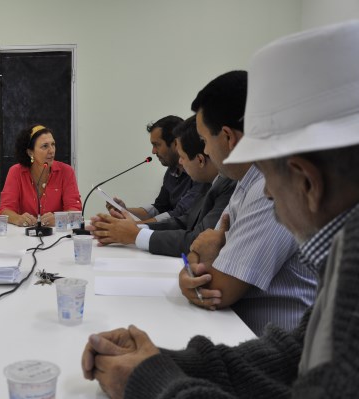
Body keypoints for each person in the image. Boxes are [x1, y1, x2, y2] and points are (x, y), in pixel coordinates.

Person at [81, 20, 359, 398]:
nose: (267, 193)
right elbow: (292, 356)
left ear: (306, 181)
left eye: (264, 172)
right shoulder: (342, 252)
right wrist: (162, 362)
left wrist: (148, 382)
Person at [179, 70, 316, 334]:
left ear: (228, 137)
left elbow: (217, 290)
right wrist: (193, 266)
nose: (205, 151)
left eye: (205, 141)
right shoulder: (245, 184)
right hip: (243, 335)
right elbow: (204, 249)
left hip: (279, 354)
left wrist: (190, 276)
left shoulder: (268, 188)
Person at [87, 116, 235, 257]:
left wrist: (135, 234)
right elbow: (184, 220)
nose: (181, 163)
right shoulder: (209, 182)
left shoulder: (226, 185)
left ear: (200, 160)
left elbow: (196, 239)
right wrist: (133, 228)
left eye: (182, 157)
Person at [110, 116, 208, 223]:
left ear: (176, 143)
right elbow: (160, 207)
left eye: (157, 145)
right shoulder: (171, 172)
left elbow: (180, 214)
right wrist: (125, 211)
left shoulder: (199, 172)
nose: (153, 151)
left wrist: (136, 226)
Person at [0, 124, 82, 227]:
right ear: (30, 153)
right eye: (45, 146)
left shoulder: (66, 171)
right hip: (24, 236)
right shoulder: (16, 172)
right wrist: (18, 218)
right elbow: (5, 210)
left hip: (57, 235)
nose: (52, 151)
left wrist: (59, 218)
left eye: (53, 144)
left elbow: (75, 210)